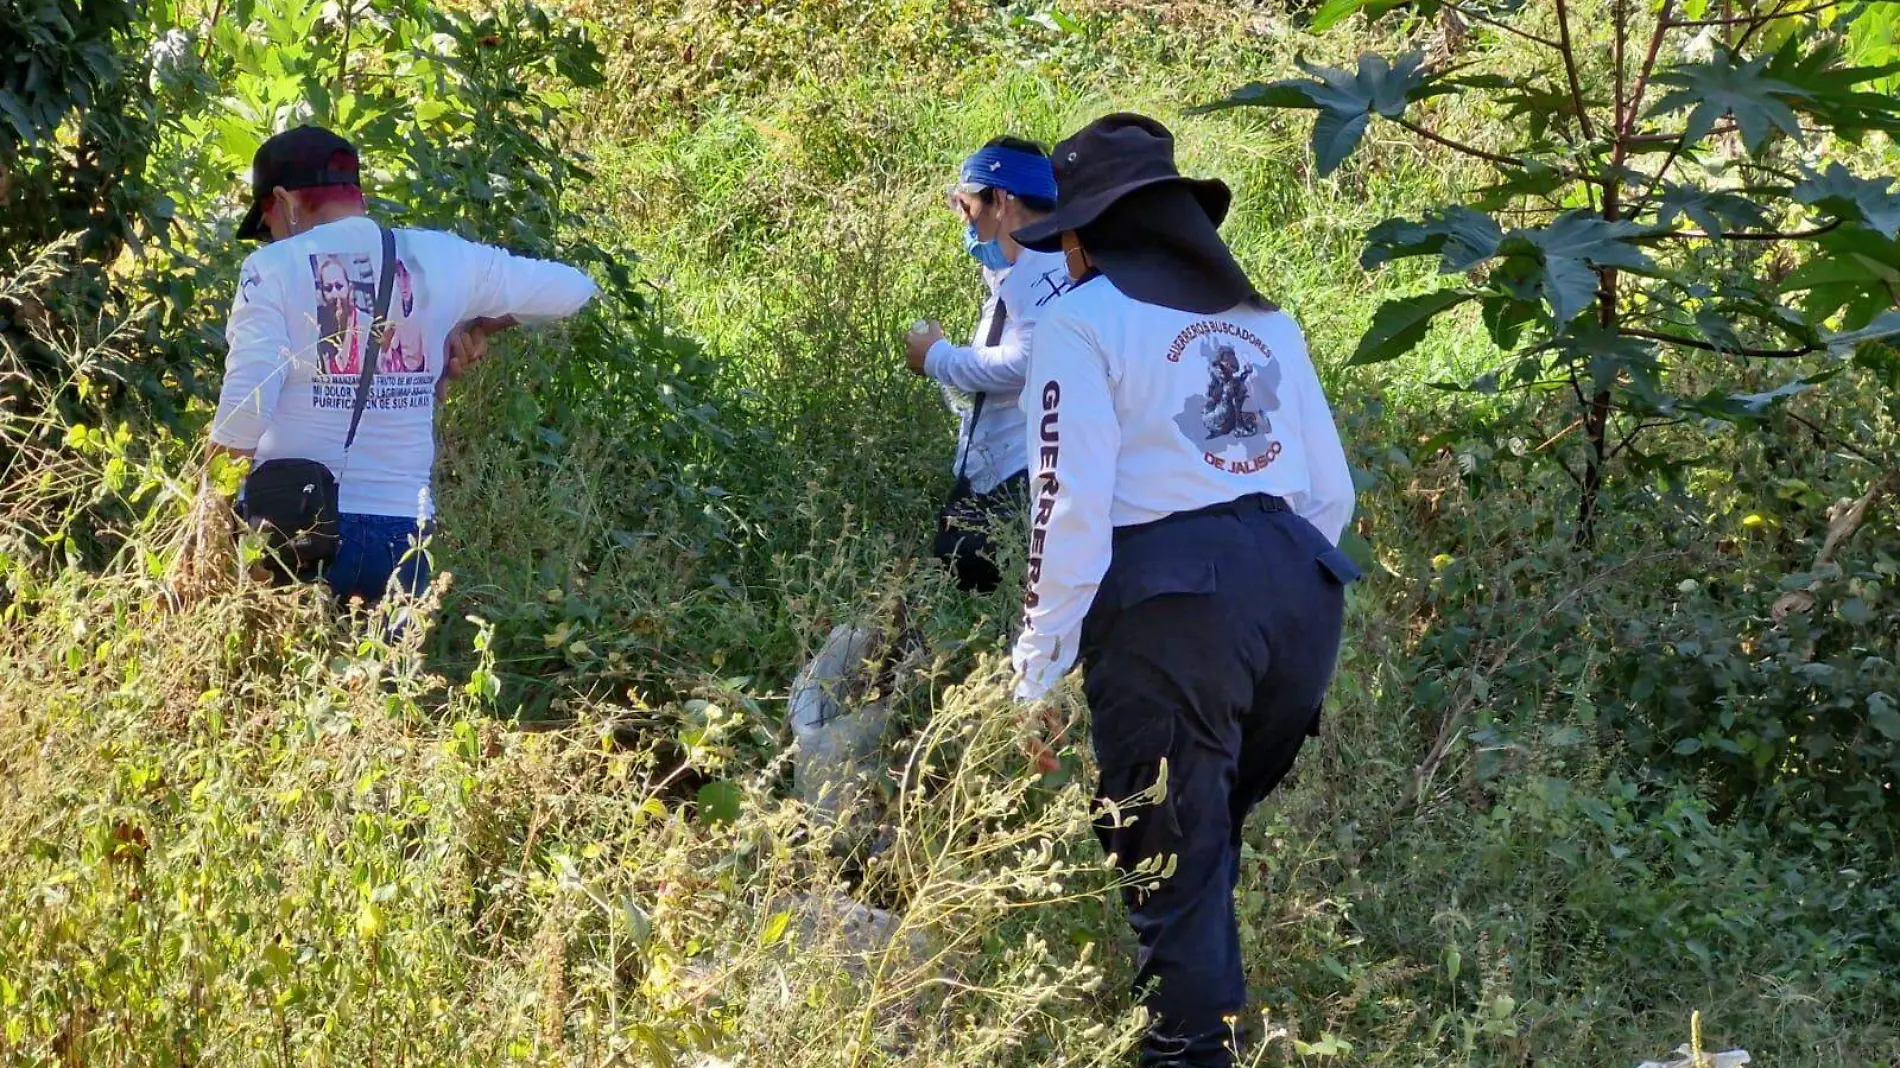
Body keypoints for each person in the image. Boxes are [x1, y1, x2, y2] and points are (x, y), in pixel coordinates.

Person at [1008, 114, 1359, 1067]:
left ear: (1089, 233)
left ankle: (1188, 1051)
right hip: (1302, 587)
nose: (1065, 251)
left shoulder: (1080, 321)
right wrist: (1264, 582)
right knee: (1204, 847)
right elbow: (1331, 491)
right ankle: (1208, 1026)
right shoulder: (1264, 318)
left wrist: (1035, 668)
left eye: (1068, 233)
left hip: (1174, 605)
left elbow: (1067, 506)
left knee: (1170, 859)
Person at [205, 125, 598, 605]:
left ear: (284, 200)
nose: (270, 240)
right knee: (390, 678)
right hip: (403, 534)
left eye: (266, 225)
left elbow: (247, 407)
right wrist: (476, 325)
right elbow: (574, 288)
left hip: (294, 528)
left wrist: (204, 515)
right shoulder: (445, 256)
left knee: (284, 678)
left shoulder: (273, 268)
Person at [904, 137, 1075, 592]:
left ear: (999, 199)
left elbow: (1028, 360)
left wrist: (938, 357)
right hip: (994, 468)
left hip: (1025, 473)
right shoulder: (1017, 271)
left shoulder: (1049, 270)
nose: (963, 220)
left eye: (965, 204)